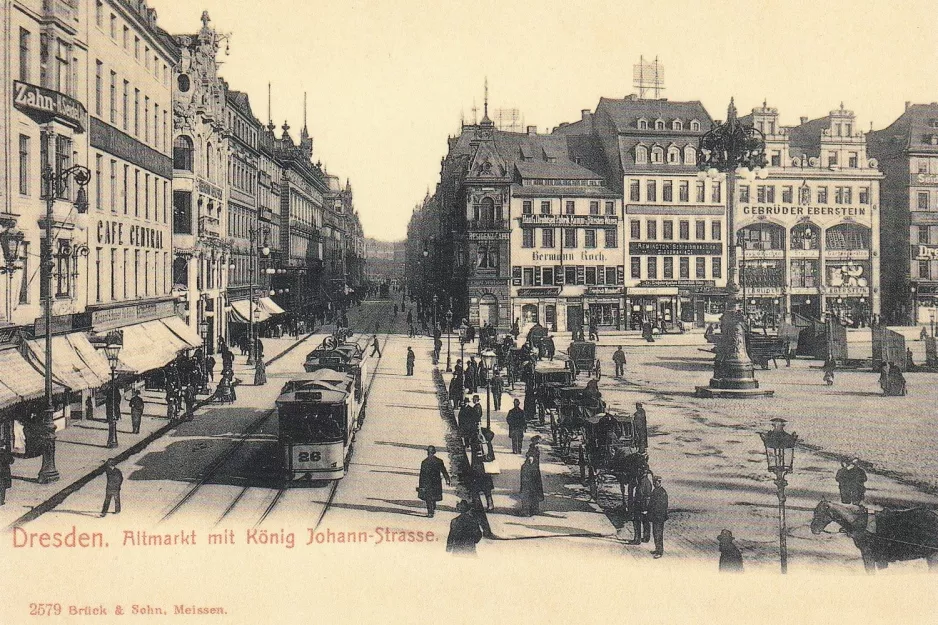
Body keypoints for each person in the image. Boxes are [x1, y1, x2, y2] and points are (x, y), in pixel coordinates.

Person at [418, 445, 451, 518]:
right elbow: (444, 471)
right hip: (436, 482)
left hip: (427, 483)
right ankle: (433, 508)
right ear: (434, 452)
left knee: (428, 497)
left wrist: (421, 486)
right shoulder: (439, 461)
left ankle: (430, 512)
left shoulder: (424, 462)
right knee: (434, 495)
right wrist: (447, 479)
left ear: (428, 452)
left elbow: (422, 475)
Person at [648, 475, 669, 558]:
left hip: (659, 517)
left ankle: (660, 552)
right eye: (653, 482)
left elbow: (663, 506)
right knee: (655, 533)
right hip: (655, 517)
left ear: (659, 482)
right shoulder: (655, 491)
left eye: (655, 482)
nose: (654, 484)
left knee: (658, 534)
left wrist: (656, 513)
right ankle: (657, 549)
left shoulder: (662, 492)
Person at [630, 469, 652, 544]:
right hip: (646, 505)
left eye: (640, 472)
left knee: (636, 521)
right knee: (645, 521)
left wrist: (635, 503)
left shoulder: (642, 482)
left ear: (643, 473)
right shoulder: (648, 481)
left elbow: (639, 493)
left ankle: (637, 539)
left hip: (640, 504)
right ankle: (646, 538)